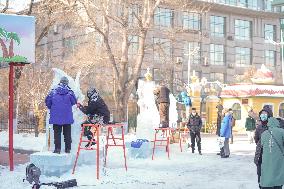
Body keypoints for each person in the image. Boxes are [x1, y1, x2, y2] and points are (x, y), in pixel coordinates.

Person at [45, 76, 77, 154]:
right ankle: (68, 149)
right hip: (67, 116)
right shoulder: (70, 92)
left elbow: (47, 102)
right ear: (67, 83)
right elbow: (74, 101)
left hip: (56, 117)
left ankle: (57, 149)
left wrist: (53, 108)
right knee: (67, 133)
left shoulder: (53, 92)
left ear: (60, 82)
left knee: (57, 133)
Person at [258, 117, 284, 189]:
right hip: (279, 159)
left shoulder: (264, 133)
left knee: (267, 175)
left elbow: (261, 145)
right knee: (278, 175)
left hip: (267, 159)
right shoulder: (282, 131)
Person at [254, 105, 273, 189]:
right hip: (261, 156)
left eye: (265, 113)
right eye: (262, 113)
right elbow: (256, 140)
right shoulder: (259, 127)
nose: (263, 115)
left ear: (269, 115)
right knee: (260, 176)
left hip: (271, 156)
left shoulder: (273, 127)